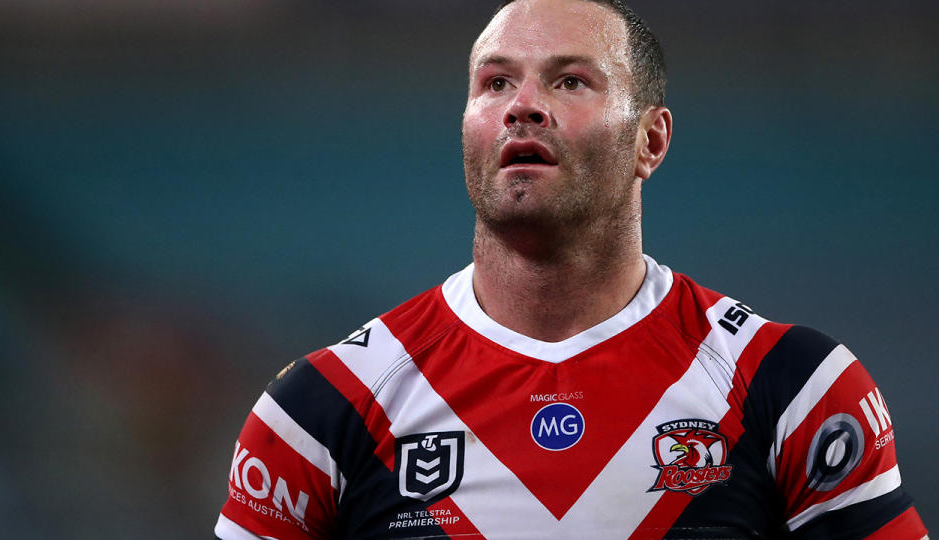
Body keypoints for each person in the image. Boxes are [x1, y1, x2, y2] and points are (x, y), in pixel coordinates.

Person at [214, 0, 928, 538]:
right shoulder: (322, 410)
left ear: (651, 139)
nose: (523, 106)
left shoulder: (795, 387)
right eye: (495, 83)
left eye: (570, 82)